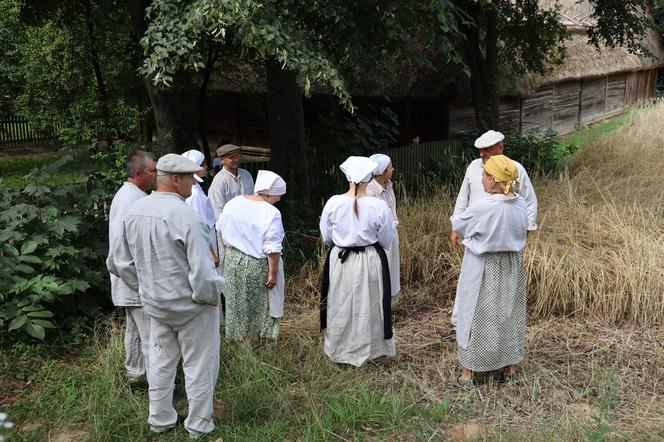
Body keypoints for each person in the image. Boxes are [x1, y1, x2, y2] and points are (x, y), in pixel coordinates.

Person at [107, 154, 225, 439]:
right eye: (190, 178)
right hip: (192, 306)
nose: (194, 184)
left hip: (156, 304)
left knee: (160, 362)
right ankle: (198, 425)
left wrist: (146, 288)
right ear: (175, 179)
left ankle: (160, 420)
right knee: (199, 365)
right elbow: (202, 273)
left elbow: (117, 262)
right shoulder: (187, 216)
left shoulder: (135, 211)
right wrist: (210, 299)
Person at [451, 154, 528, 386]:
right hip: (512, 265)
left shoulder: (483, 205)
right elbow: (523, 230)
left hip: (483, 265)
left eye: (484, 175)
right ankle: (509, 366)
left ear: (492, 177)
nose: (482, 179)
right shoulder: (520, 203)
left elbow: (460, 225)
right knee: (508, 313)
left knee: (475, 313)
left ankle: (469, 371)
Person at [449, 130, 537, 331]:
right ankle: (461, 324)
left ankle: (495, 329)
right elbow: (464, 197)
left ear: (500, 148)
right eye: (480, 150)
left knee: (501, 288)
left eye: (487, 150)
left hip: (503, 239)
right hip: (477, 237)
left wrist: (524, 230)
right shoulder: (473, 168)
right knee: (470, 281)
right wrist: (456, 227)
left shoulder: (516, 169)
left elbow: (528, 202)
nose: (482, 154)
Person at [319, 156, 396, 367]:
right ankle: (367, 349)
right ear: (369, 176)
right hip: (368, 260)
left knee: (340, 301)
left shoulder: (333, 203)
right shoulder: (378, 206)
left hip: (341, 261)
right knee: (368, 303)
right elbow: (387, 238)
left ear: (348, 177)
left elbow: (326, 236)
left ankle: (341, 349)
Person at [215, 170, 286, 341]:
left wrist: (231, 253)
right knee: (261, 306)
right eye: (279, 195)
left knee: (236, 303)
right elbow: (273, 248)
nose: (280, 199)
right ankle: (259, 342)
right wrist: (273, 273)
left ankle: (238, 341)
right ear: (269, 193)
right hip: (256, 264)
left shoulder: (235, 202)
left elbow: (221, 231)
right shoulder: (271, 212)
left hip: (232, 260)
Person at [107, 150, 156, 386]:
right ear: (138, 173)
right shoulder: (131, 199)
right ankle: (157, 385)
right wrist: (138, 283)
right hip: (134, 279)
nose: (157, 176)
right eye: (153, 171)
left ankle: (136, 377)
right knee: (150, 336)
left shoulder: (135, 195)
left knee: (135, 333)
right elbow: (119, 247)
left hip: (132, 279)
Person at [366, 153, 401, 305]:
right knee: (380, 270)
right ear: (382, 171)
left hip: (392, 233)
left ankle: (389, 303)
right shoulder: (370, 191)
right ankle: (378, 304)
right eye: (390, 166)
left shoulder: (389, 185)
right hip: (378, 238)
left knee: (392, 268)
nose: (393, 169)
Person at [181, 149, 219, 267]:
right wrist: (212, 254)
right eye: (203, 164)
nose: (206, 166)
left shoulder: (194, 188)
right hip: (205, 243)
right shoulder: (195, 194)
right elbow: (200, 226)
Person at [208, 144, 254, 219]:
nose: (235, 160)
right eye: (231, 157)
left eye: (237, 156)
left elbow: (253, 197)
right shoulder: (219, 180)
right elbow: (217, 210)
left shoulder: (246, 174)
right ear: (222, 160)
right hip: (230, 226)